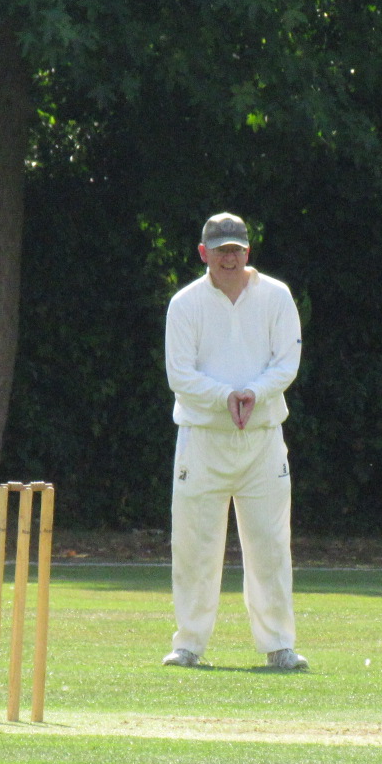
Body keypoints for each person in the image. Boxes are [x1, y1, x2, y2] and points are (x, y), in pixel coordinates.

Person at [162, 212, 307, 670]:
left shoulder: (276, 296)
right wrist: (225, 397)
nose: (229, 258)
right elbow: (179, 375)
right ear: (203, 253)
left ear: (248, 252)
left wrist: (254, 394)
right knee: (194, 546)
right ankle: (189, 644)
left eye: (236, 250)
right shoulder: (185, 304)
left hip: (261, 439)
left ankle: (278, 645)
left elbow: (286, 363)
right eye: (220, 250)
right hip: (202, 439)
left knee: (270, 545)